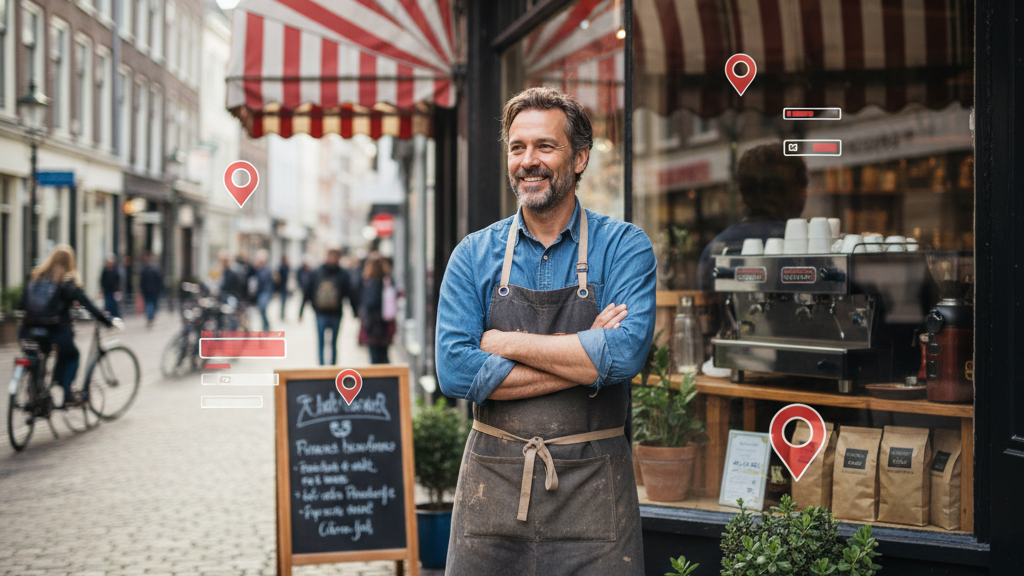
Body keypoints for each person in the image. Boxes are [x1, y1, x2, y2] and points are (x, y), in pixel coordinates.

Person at [435, 87, 656, 575]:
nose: (528, 161)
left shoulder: (625, 247)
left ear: (579, 159)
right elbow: (454, 371)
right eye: (518, 147)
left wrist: (504, 344)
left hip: (595, 496)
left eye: (544, 147)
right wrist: (581, 356)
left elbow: (624, 355)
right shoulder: (472, 255)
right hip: (491, 490)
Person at [696, 144, 808, 290]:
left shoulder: (715, 251)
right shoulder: (808, 250)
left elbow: (707, 309)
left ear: (742, 194)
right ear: (794, 192)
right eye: (804, 187)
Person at [20, 245, 121, 407]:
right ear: (70, 262)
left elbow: (22, 304)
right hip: (54, 330)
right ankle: (68, 394)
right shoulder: (68, 282)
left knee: (37, 356)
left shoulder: (36, 276)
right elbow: (87, 303)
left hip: (28, 330)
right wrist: (104, 319)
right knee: (72, 354)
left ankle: (35, 391)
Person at [303, 249, 358, 365]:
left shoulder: (318, 271)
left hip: (329, 312)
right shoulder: (340, 273)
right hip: (326, 312)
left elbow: (308, 291)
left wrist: (355, 311)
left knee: (328, 342)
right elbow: (308, 291)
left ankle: (328, 366)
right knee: (327, 342)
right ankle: (326, 366)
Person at [358, 253, 396, 364]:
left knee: (375, 357)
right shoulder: (388, 281)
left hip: (374, 326)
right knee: (384, 355)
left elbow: (370, 304)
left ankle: (382, 381)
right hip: (385, 324)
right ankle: (388, 379)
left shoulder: (371, 283)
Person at [252, 250, 275, 332]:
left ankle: (265, 326)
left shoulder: (267, 270)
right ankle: (266, 325)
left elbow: (270, 282)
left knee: (262, 308)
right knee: (261, 311)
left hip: (266, 292)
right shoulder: (257, 270)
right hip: (260, 292)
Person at [139, 252, 163, 327]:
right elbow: (142, 282)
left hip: (152, 291)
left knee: (151, 304)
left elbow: (159, 280)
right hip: (150, 291)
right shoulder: (146, 270)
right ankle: (150, 317)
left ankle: (151, 317)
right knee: (150, 304)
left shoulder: (153, 270)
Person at [99, 254, 121, 318]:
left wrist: (117, 290)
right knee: (107, 305)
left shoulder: (115, 271)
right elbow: (102, 280)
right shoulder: (105, 271)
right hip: (106, 290)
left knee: (114, 305)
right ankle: (108, 317)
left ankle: (115, 317)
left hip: (113, 291)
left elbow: (118, 281)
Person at [276, 255, 291, 321]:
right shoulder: (282, 267)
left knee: (284, 302)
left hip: (284, 287)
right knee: (282, 302)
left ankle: (283, 314)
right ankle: (282, 315)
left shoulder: (286, 267)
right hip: (282, 287)